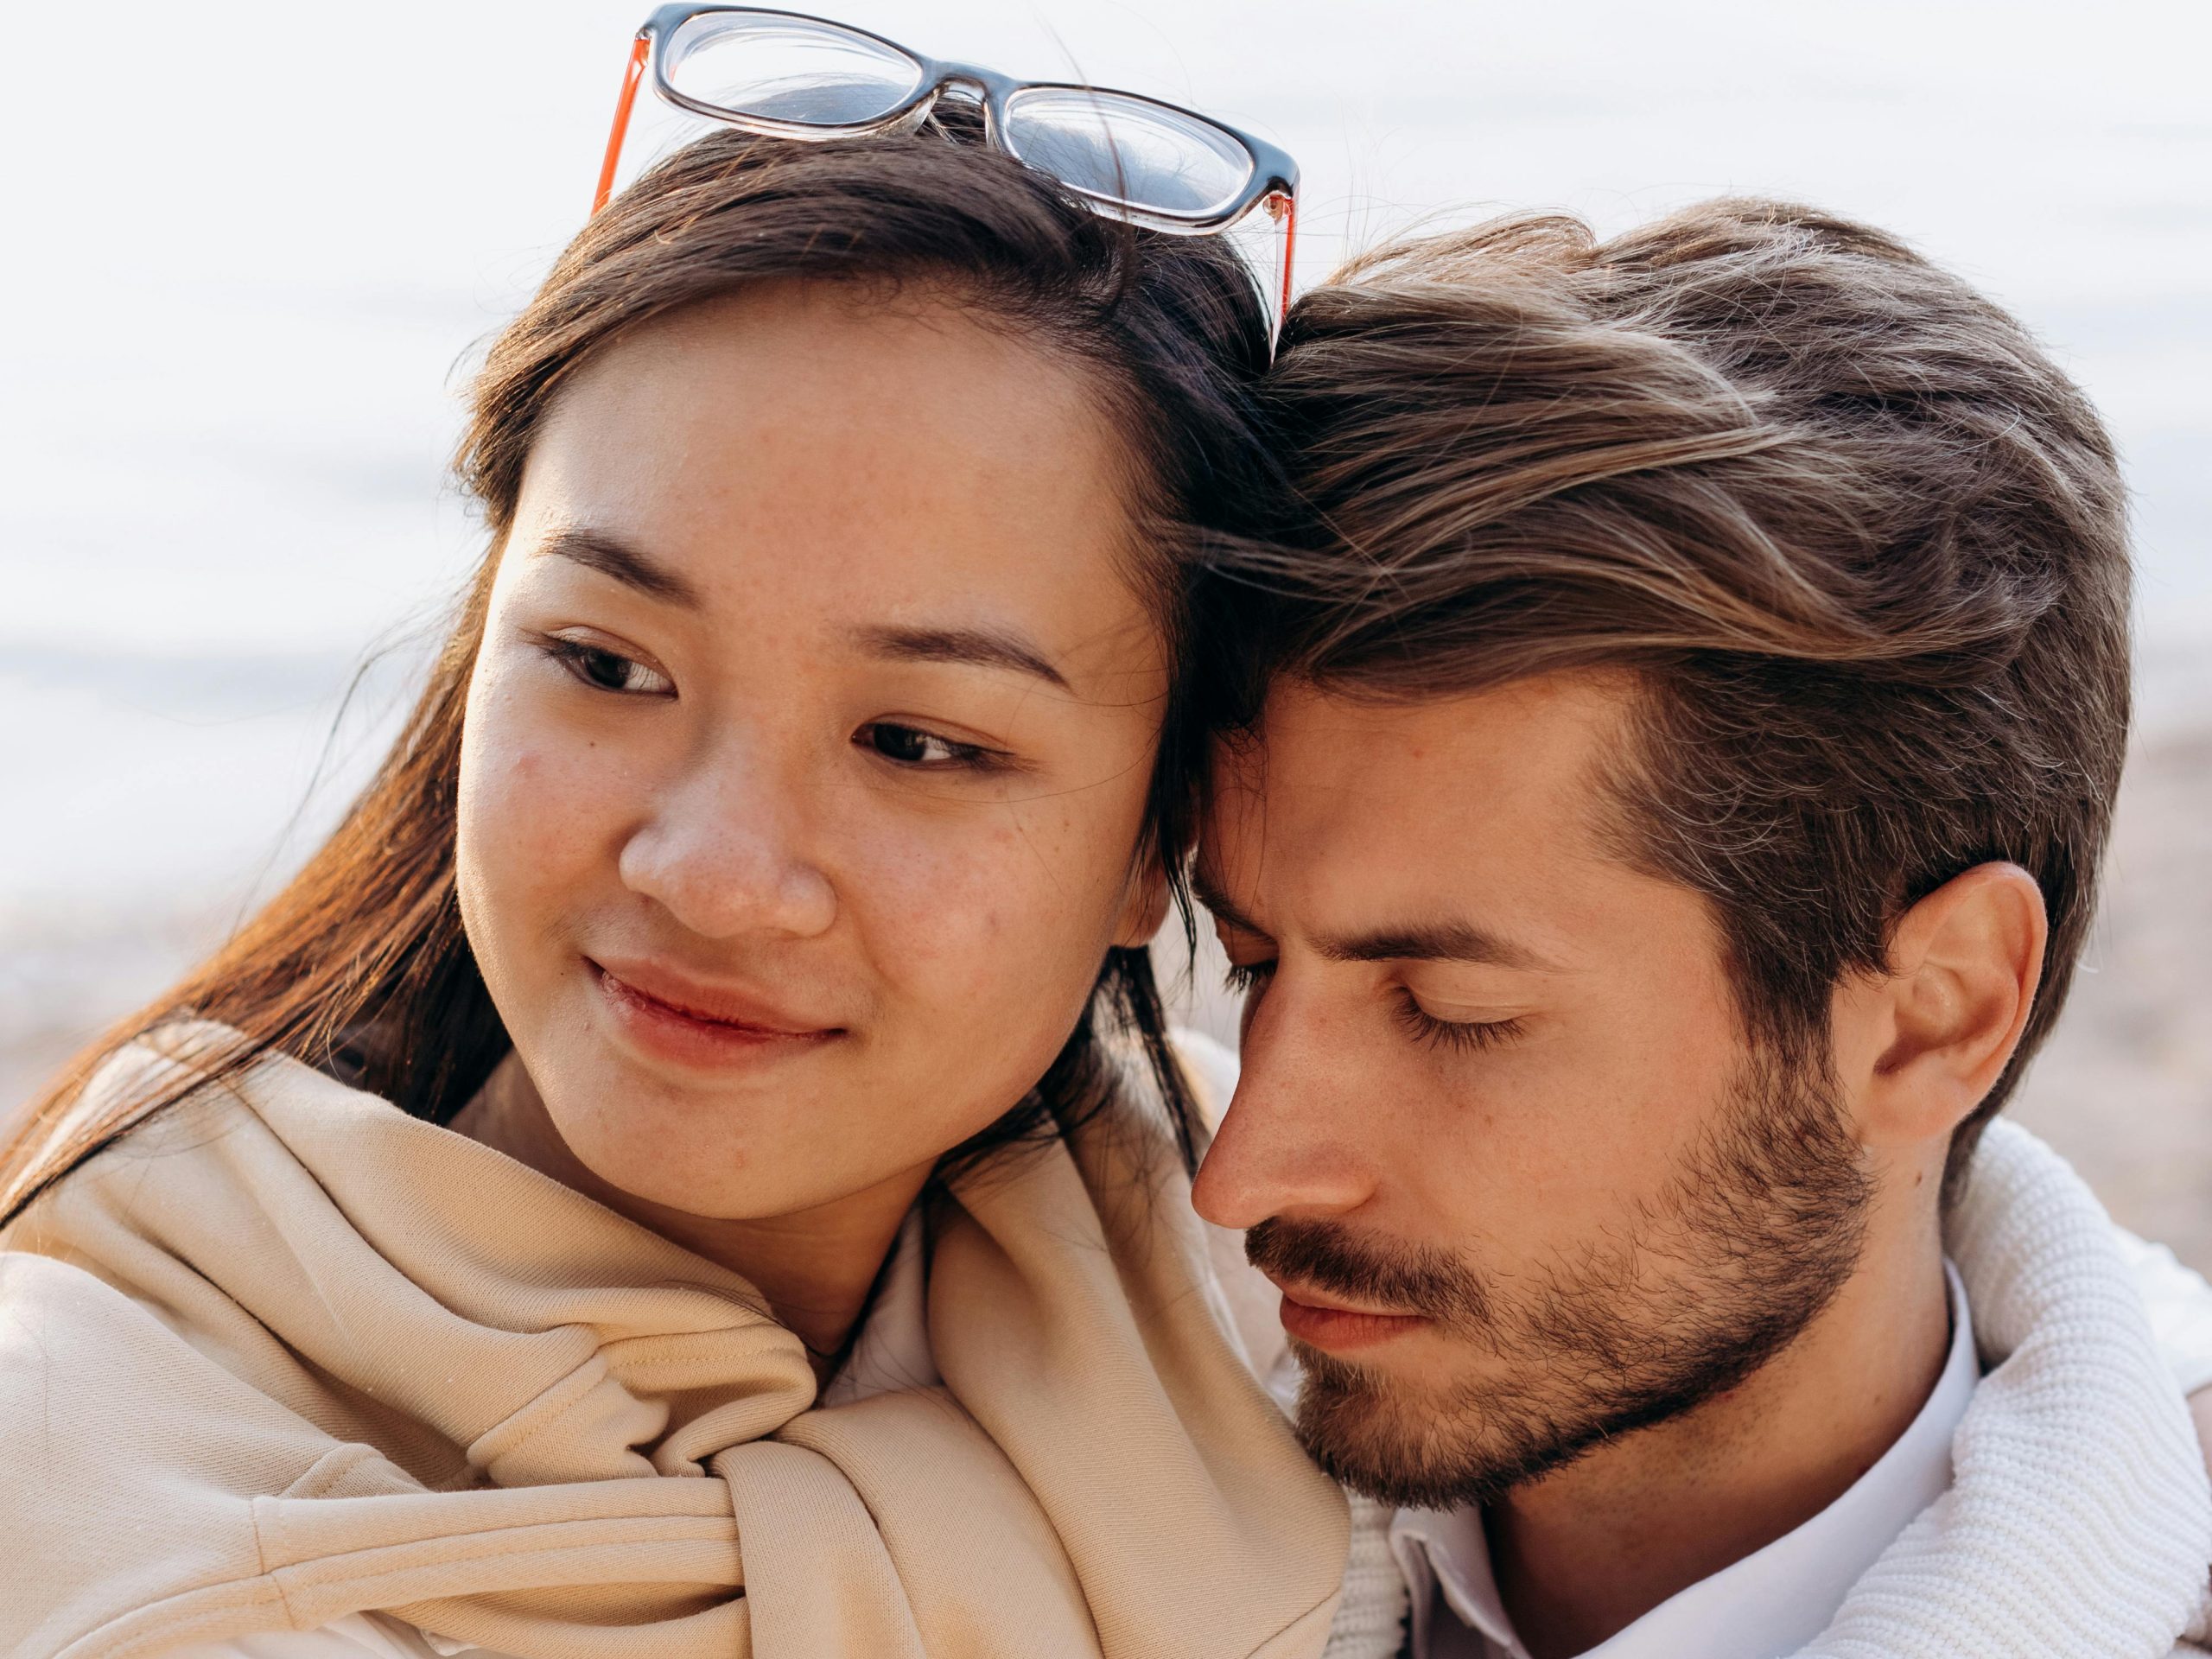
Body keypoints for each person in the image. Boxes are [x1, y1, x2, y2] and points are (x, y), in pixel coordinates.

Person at [0, 88, 1354, 1659]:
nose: (711, 875)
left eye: (916, 743)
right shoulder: (83, 1481)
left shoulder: (1273, 1297)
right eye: (605, 663)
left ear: (1159, 842)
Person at [1190, 200, 2212, 1657]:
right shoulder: (1092, 1446)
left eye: (1455, 1012)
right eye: (1249, 965)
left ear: (1936, 1013)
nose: (1240, 1175)